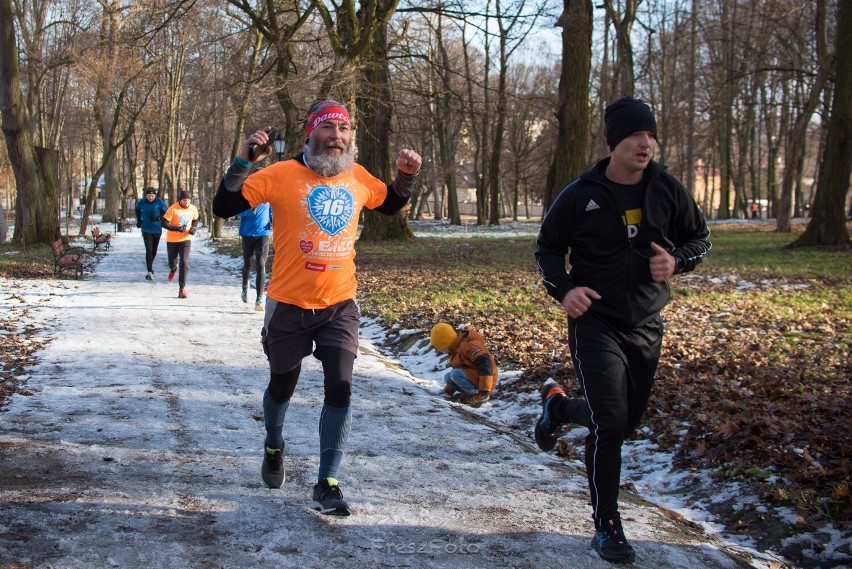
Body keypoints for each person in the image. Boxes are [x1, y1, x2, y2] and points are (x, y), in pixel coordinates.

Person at [212, 100, 421, 516]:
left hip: (339, 303)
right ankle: (274, 444)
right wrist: (242, 161)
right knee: (281, 387)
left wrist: (406, 176)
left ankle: (328, 482)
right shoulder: (281, 174)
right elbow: (224, 206)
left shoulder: (358, 176)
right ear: (311, 133)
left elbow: (390, 203)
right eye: (328, 129)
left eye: (343, 131)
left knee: (340, 388)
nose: (336, 137)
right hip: (288, 303)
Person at [533, 96, 711, 564]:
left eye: (651, 135)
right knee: (610, 423)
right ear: (615, 141)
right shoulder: (580, 194)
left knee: (625, 423)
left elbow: (700, 238)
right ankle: (607, 526)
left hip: (646, 325)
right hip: (595, 322)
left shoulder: (667, 189)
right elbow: (547, 249)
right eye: (636, 135)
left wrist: (678, 261)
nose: (646, 143)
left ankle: (559, 409)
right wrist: (565, 290)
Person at [429, 322, 497, 407]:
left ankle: (478, 396)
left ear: (446, 343)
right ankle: (471, 393)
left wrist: (485, 391)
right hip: (475, 378)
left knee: (455, 374)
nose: (440, 351)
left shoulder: (469, 346)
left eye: (441, 348)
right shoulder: (455, 349)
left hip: (486, 382)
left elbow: (486, 365)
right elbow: (461, 369)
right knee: (448, 377)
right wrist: (447, 392)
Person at [161, 190, 199, 299]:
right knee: (172, 263)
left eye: (188, 200)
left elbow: (195, 219)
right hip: (172, 240)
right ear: (180, 200)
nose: (186, 202)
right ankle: (173, 269)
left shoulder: (193, 208)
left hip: (185, 239)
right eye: (184, 200)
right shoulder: (173, 209)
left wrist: (193, 228)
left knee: (184, 262)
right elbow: (163, 223)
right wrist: (177, 228)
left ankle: (181, 289)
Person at [237, 202, 272, 310]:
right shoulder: (247, 198)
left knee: (261, 265)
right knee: (247, 264)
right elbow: (238, 212)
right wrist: (249, 210)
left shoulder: (268, 201)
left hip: (263, 235)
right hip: (247, 234)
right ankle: (244, 287)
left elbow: (273, 213)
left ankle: (259, 299)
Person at [135, 187, 168, 280]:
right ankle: (149, 271)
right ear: (146, 195)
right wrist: (139, 221)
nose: (150, 198)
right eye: (149, 196)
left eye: (152, 196)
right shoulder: (142, 202)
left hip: (157, 230)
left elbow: (166, 213)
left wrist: (158, 218)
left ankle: (150, 265)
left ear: (155, 195)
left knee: (154, 251)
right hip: (146, 230)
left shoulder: (159, 202)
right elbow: (137, 210)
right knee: (148, 250)